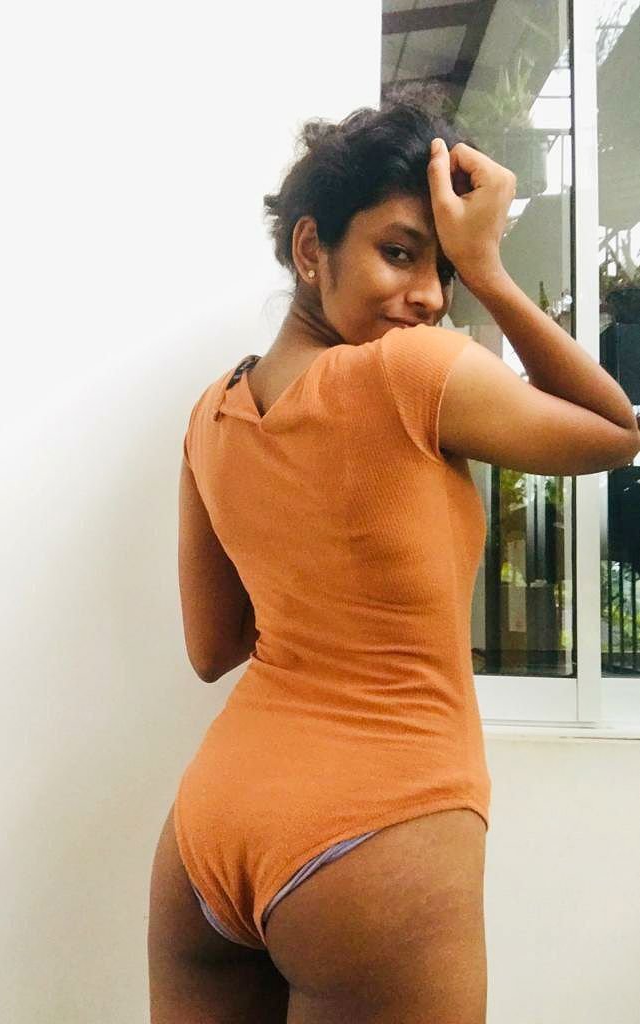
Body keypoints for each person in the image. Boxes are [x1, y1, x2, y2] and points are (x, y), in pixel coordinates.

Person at [148, 102, 640, 1023]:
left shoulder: (209, 415)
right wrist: (487, 266)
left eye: (444, 269)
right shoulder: (412, 372)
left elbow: (213, 649)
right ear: (310, 249)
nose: (429, 296)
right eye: (400, 252)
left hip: (206, 837)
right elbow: (614, 430)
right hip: (375, 825)